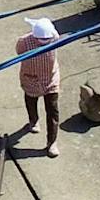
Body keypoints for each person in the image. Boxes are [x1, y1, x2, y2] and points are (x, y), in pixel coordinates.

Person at [15, 17, 62, 157]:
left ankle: (52, 142)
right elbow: (18, 53)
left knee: (53, 110)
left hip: (50, 78)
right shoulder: (24, 41)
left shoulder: (54, 36)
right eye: (41, 40)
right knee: (31, 100)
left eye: (47, 40)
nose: (44, 43)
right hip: (31, 78)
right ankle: (33, 120)